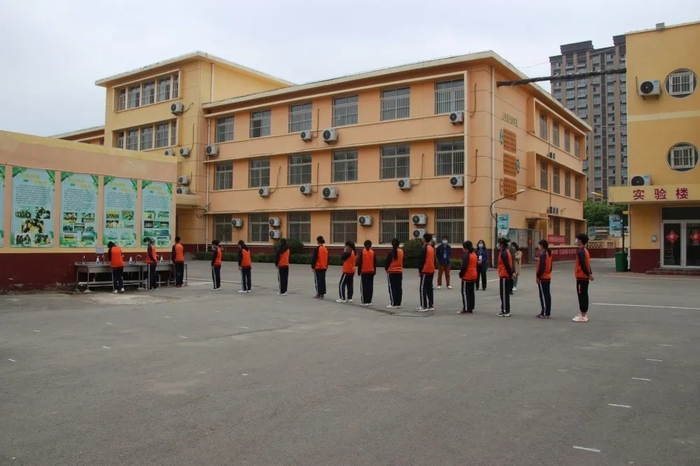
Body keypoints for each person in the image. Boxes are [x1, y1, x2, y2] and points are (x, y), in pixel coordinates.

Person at [573, 233, 594, 323]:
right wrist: (590, 273)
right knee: (584, 294)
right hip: (583, 276)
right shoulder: (585, 251)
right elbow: (588, 264)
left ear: (580, 240)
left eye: (577, 239)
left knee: (582, 295)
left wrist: (588, 274)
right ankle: (583, 313)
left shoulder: (581, 252)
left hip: (582, 276)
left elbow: (583, 264)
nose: (576, 241)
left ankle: (583, 315)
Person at [417, 233, 436, 312]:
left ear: (424, 239)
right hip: (431, 270)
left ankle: (423, 305)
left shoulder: (424, 248)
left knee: (422, 288)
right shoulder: (431, 248)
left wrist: (420, 270)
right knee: (429, 288)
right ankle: (430, 305)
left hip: (425, 270)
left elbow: (422, 260)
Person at [458, 240, 478, 314]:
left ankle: (466, 308)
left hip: (467, 276)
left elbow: (464, 266)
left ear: (466, 248)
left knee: (464, 292)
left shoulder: (466, 255)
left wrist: (461, 274)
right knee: (471, 292)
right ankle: (471, 307)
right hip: (473, 275)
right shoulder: (474, 254)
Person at [497, 237, 514, 317]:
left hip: (505, 275)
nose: (498, 245)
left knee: (503, 294)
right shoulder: (506, 252)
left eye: (499, 244)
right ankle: (506, 309)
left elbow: (507, 264)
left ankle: (505, 310)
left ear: (502, 245)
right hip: (505, 275)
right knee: (505, 294)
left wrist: (510, 274)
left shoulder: (504, 253)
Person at [535, 239, 553, 319]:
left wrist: (538, 276)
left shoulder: (543, 254)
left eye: (539, 245)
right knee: (547, 294)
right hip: (547, 276)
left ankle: (545, 313)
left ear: (542, 245)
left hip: (543, 278)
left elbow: (541, 267)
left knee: (543, 295)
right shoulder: (548, 253)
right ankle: (545, 311)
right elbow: (550, 266)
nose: (538, 247)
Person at [384, 238, 404, 309]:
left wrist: (386, 269)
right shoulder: (401, 251)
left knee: (392, 288)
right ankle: (398, 303)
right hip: (399, 271)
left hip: (391, 271)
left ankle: (393, 303)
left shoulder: (391, 252)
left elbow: (387, 262)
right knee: (399, 288)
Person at [357, 239, 376, 306]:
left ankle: (364, 301)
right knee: (370, 287)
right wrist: (374, 271)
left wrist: (359, 271)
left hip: (364, 271)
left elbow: (360, 262)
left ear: (364, 245)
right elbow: (375, 263)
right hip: (371, 271)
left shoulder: (362, 252)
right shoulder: (372, 252)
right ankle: (369, 301)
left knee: (364, 287)